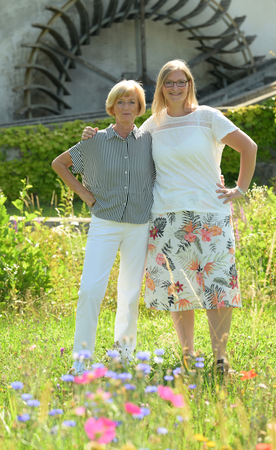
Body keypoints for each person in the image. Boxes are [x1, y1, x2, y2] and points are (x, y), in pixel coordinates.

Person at [82, 60, 257, 373]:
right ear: (160, 88)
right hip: (166, 218)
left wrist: (240, 189)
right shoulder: (153, 124)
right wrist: (93, 138)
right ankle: (188, 355)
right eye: (169, 83)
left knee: (217, 290)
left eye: (182, 82)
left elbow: (248, 146)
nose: (175, 88)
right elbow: (122, 145)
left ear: (190, 84)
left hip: (210, 216)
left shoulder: (208, 118)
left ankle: (220, 359)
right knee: (180, 292)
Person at [52, 80, 155, 374]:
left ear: (139, 108)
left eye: (132, 102)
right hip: (105, 224)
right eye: (121, 102)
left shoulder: (149, 140)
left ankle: (123, 355)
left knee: (130, 293)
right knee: (90, 290)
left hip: (139, 225)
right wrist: (84, 194)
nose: (126, 107)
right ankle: (81, 361)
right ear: (112, 107)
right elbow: (59, 164)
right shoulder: (94, 141)